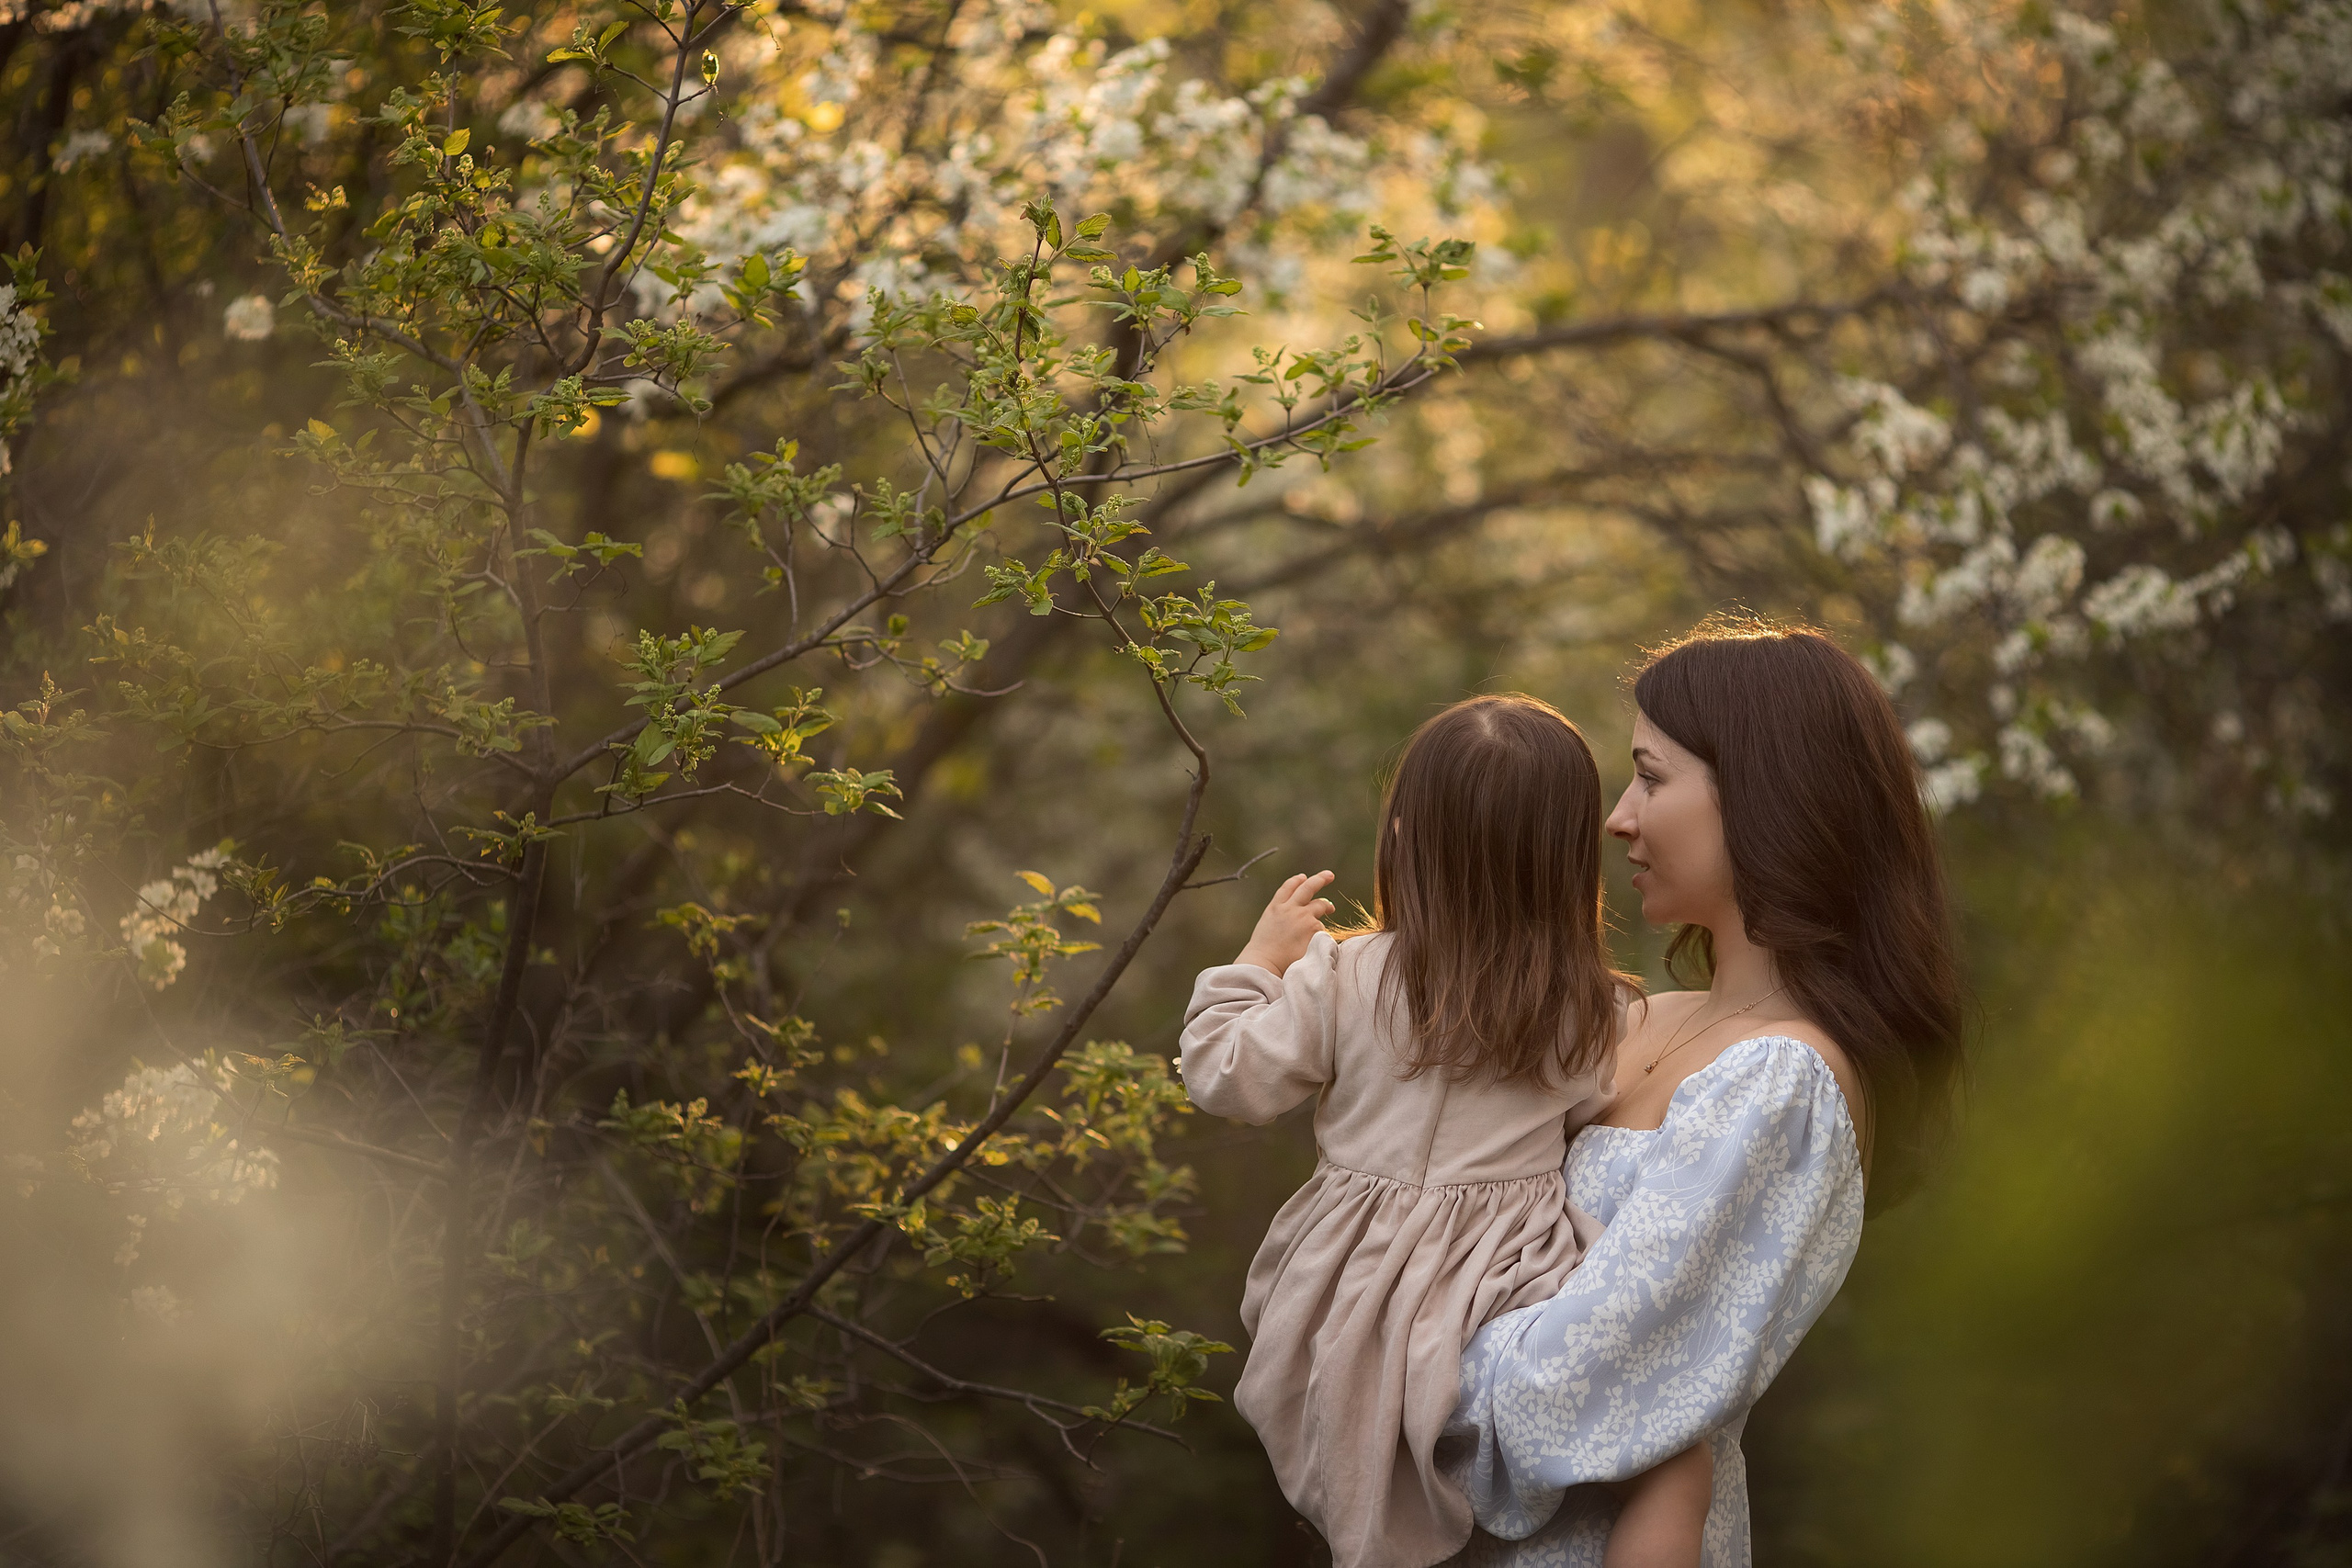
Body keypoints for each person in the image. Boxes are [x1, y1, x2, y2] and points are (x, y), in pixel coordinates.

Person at [1437, 616, 1966, 1567]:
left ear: (1763, 795)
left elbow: (1570, 1396)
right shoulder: (1627, 1019)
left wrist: (1378, 1362)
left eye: (1649, 775)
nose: (1617, 817)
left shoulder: (1781, 1084)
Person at [1180, 694, 1714, 1568]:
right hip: (1503, 1283)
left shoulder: (1343, 975)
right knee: (1636, 1435)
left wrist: (1255, 961)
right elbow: (1588, 1121)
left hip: (1351, 1280)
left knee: (1360, 1436)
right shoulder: (1589, 1006)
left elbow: (1224, 1074)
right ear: (1563, 860)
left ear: (1404, 838)